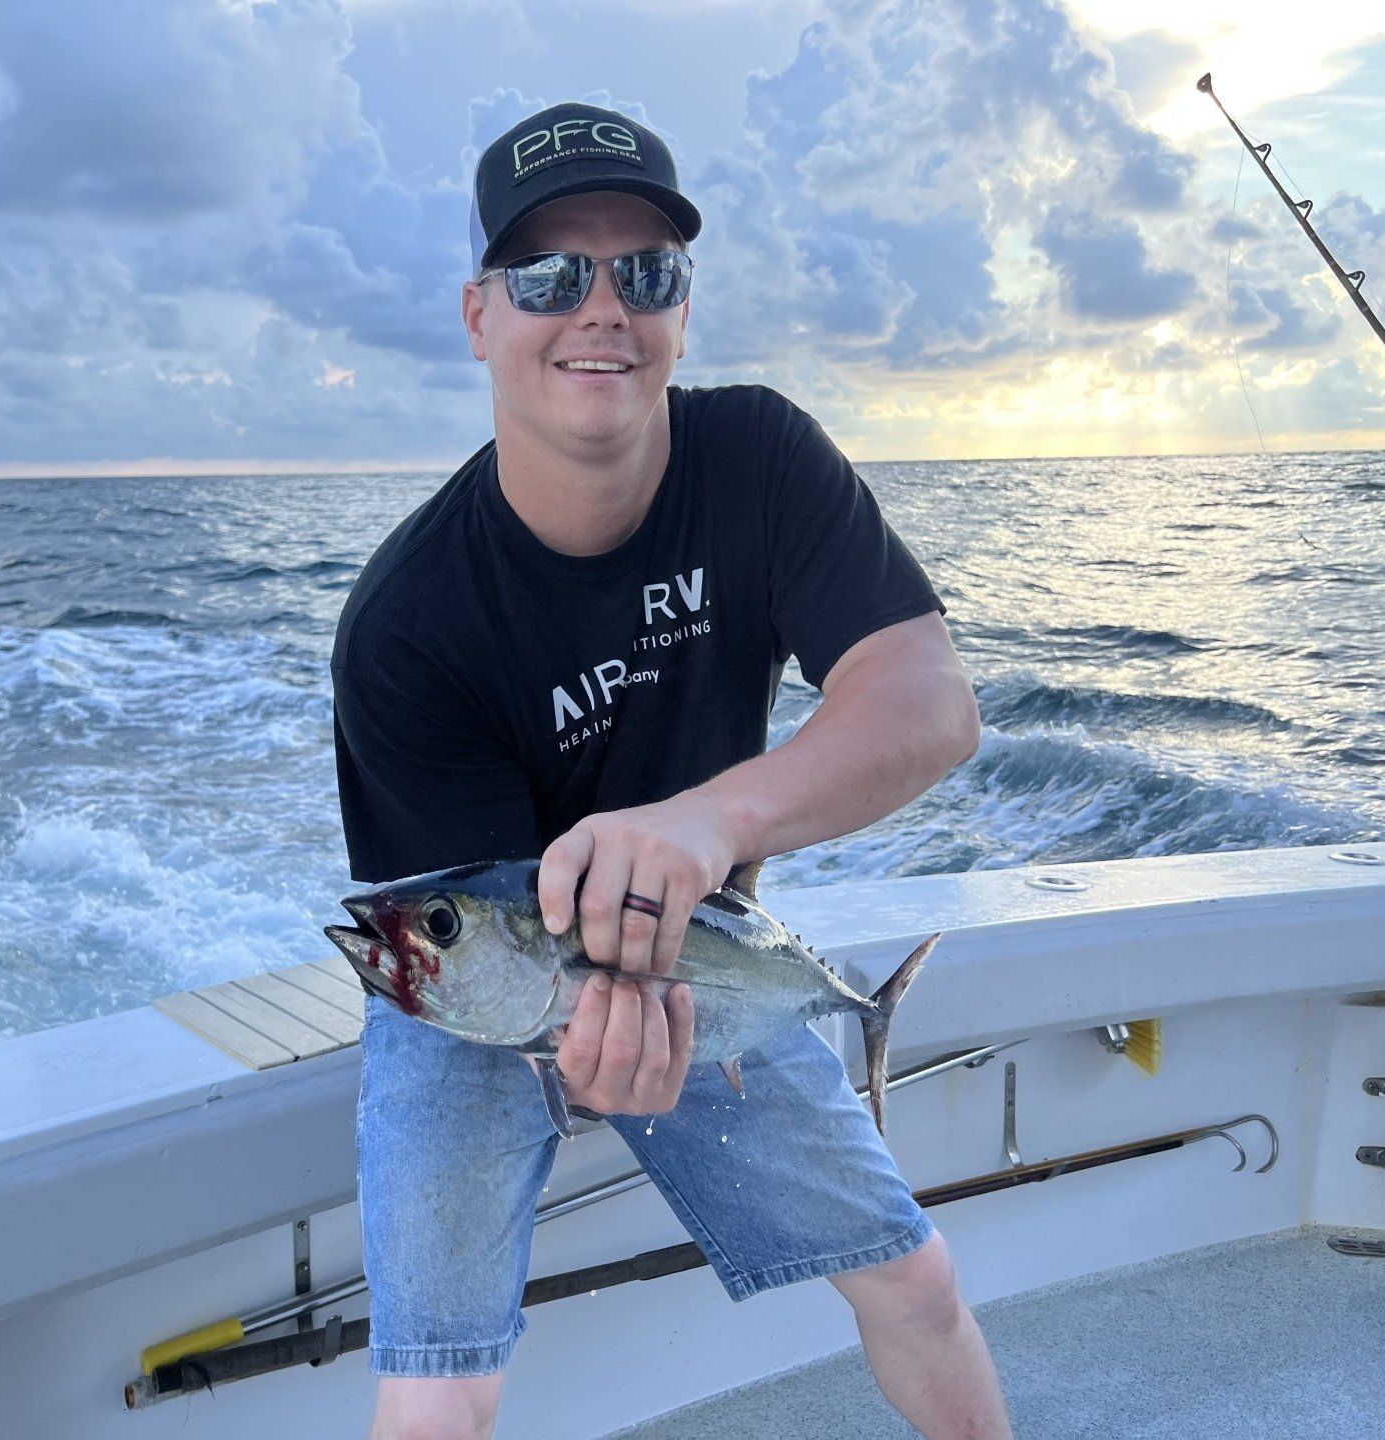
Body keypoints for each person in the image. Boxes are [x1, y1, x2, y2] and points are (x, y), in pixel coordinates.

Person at [330, 100, 1011, 1440]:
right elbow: (471, 943)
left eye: (643, 272)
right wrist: (576, 1038)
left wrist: (708, 826)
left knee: (920, 1283)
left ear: (682, 311)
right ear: (479, 315)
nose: (601, 310)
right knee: (434, 1402)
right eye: (547, 276)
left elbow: (928, 701)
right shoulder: (405, 623)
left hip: (708, 950)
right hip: (485, 978)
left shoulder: (758, 457)